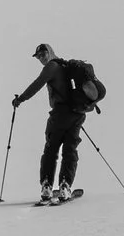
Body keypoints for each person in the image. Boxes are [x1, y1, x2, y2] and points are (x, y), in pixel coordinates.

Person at [12, 42, 88, 204]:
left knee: (51, 149)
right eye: (38, 56)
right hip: (77, 113)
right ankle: (65, 186)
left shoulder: (52, 67)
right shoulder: (65, 66)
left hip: (60, 114)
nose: (40, 58)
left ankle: (47, 185)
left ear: (50, 52)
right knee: (70, 149)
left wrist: (21, 99)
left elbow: (38, 83)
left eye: (43, 54)